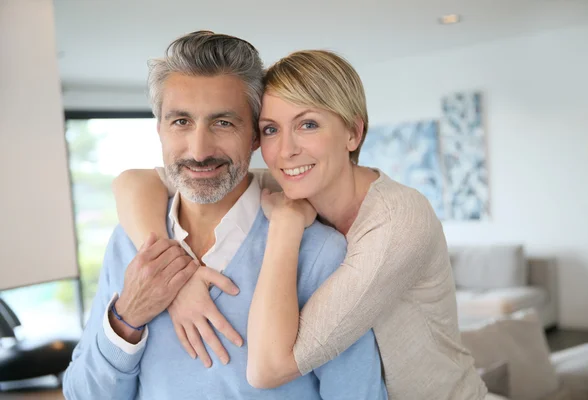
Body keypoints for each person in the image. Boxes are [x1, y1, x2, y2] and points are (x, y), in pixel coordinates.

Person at [113, 47, 488, 399]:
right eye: (271, 129)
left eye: (308, 124)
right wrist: (178, 276)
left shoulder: (397, 222)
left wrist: (287, 227)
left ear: (354, 133)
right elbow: (134, 181)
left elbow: (267, 369)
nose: (286, 150)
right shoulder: (291, 180)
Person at [62, 30, 387, 400]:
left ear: (254, 137)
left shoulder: (318, 253)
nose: (199, 151)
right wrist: (126, 319)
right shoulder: (127, 243)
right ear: (160, 130)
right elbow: (81, 395)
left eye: (223, 123)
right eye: (181, 122)